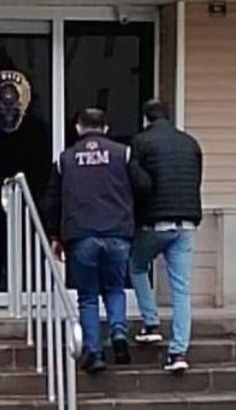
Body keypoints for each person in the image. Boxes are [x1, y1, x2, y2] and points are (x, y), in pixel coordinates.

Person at [43, 108, 146, 374]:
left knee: (88, 296)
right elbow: (143, 187)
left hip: (81, 235)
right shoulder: (123, 154)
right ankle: (119, 332)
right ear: (106, 128)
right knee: (115, 288)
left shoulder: (65, 159)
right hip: (117, 233)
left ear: (78, 128)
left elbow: (52, 201)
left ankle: (94, 352)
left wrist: (55, 235)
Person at [129, 99, 203, 373]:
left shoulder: (141, 142)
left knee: (137, 265)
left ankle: (151, 323)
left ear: (146, 119)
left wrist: (136, 215)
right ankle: (178, 352)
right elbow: (196, 180)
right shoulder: (190, 143)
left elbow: (139, 184)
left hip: (155, 221)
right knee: (181, 289)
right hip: (187, 221)